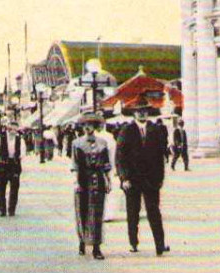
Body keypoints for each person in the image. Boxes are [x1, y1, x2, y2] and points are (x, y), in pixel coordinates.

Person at [117, 108, 171, 256]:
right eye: (139, 111)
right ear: (134, 113)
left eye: (144, 110)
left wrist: (160, 179)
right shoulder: (127, 130)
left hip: (151, 179)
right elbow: (120, 156)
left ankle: (160, 245)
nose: (142, 113)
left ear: (148, 113)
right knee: (133, 213)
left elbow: (161, 156)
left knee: (154, 212)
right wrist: (124, 178)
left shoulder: (155, 130)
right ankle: (133, 243)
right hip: (132, 179)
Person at [72, 113, 112, 260]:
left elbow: (106, 163)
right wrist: (76, 182)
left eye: (90, 125)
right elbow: (75, 164)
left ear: (95, 127)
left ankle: (96, 247)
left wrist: (108, 180)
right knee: (82, 211)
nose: (88, 128)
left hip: (98, 180)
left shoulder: (102, 143)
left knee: (97, 212)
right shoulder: (77, 143)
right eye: (85, 125)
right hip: (83, 179)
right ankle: (82, 241)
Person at [0, 125, 24, 217]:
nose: (14, 132)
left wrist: (16, 158)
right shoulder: (0, 139)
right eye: (11, 130)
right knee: (1, 188)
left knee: (14, 187)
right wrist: (1, 159)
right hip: (2, 165)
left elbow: (22, 153)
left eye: (15, 130)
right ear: (8, 130)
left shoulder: (20, 140)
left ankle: (12, 209)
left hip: (14, 164)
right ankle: (2, 209)